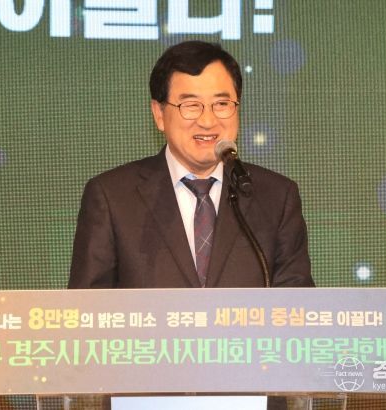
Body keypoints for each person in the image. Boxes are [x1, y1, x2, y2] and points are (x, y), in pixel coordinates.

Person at [68, 41, 314, 409]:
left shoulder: (275, 196)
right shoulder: (111, 195)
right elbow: (84, 316)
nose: (208, 121)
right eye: (190, 105)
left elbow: (299, 310)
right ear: (159, 114)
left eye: (221, 104)